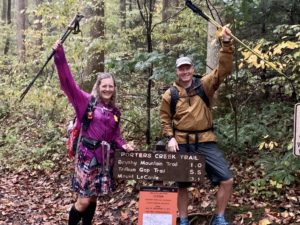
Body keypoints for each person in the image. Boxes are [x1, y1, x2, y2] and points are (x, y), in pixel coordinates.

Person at [53, 40, 134, 225]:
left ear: (114, 89)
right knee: (83, 200)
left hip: (105, 159)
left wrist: (125, 145)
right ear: (98, 87)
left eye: (110, 86)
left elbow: (116, 136)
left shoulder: (115, 112)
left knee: (94, 198)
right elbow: (68, 84)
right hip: (87, 157)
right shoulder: (86, 102)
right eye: (104, 86)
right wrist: (60, 57)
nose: (107, 89)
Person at [160, 27, 234, 225]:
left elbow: (223, 70)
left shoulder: (205, 85)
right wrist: (170, 137)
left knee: (226, 179)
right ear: (177, 71)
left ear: (192, 69)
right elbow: (165, 118)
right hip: (182, 142)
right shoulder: (170, 94)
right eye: (181, 68)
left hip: (206, 141)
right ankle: (183, 220)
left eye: (187, 68)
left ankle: (218, 217)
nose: (185, 71)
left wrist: (226, 44)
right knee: (182, 184)